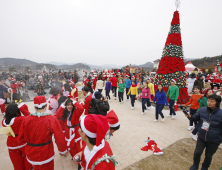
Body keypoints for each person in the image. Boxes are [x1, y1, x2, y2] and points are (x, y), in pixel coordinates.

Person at [18, 96, 67, 170]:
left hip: (31, 152)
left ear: (34, 106)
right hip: (46, 152)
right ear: (46, 105)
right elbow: (59, 136)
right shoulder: (51, 119)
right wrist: (62, 150)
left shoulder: (26, 119)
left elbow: (20, 138)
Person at [184, 95, 222, 170]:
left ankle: (204, 167)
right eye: (208, 100)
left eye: (212, 101)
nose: (209, 102)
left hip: (214, 140)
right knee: (197, 152)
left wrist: (219, 139)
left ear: (217, 102)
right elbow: (195, 118)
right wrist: (189, 116)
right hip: (202, 136)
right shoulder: (202, 109)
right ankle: (195, 165)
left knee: (208, 155)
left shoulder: (221, 114)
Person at [2, 103, 32, 170]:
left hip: (11, 144)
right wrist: (22, 108)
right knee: (27, 159)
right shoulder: (20, 119)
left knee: (16, 162)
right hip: (22, 142)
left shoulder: (3, 121)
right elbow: (30, 117)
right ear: (17, 111)